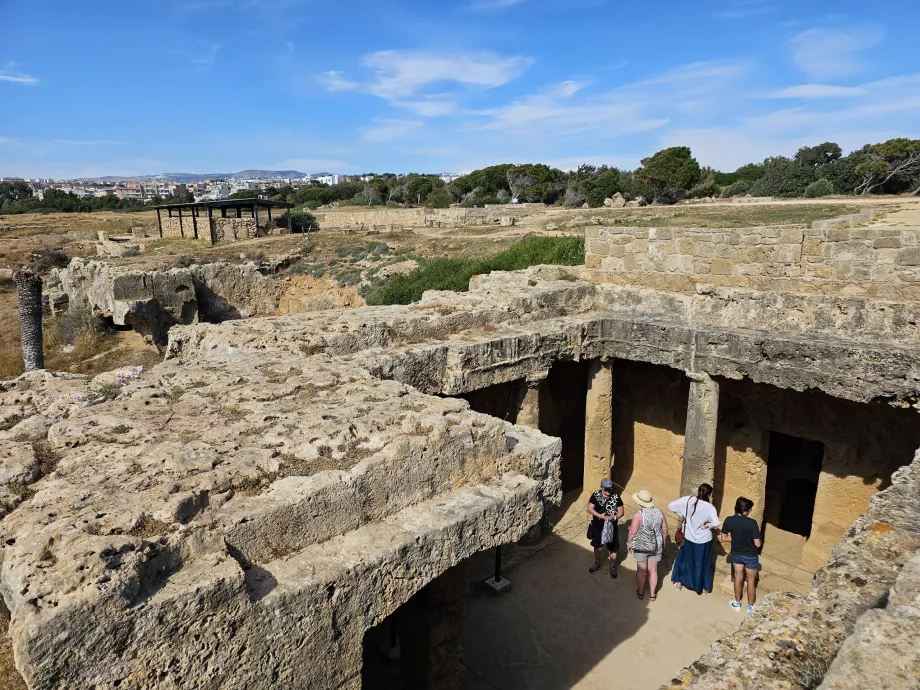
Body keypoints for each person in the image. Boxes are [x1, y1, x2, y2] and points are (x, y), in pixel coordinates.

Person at [668, 483, 720, 595]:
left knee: (684, 560)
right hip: (703, 539)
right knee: (701, 562)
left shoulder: (688, 500)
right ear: (709, 494)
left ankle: (679, 582)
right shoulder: (710, 507)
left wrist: (683, 514)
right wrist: (707, 526)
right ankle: (702, 586)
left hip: (688, 537)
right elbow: (716, 523)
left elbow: (671, 506)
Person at [719, 496, 762, 614]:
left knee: (738, 578)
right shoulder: (752, 523)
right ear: (746, 509)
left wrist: (736, 538)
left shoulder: (729, 520)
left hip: (736, 554)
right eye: (750, 509)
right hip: (751, 556)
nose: (751, 511)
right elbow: (757, 544)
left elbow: (723, 538)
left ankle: (737, 604)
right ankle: (750, 607)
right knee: (751, 581)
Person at [626, 489, 668, 601]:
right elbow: (665, 529)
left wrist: (629, 543)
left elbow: (633, 532)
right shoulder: (659, 512)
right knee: (653, 570)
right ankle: (653, 595)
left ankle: (640, 592)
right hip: (656, 545)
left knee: (641, 569)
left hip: (641, 545)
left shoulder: (639, 515)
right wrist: (663, 541)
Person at [587, 477, 624, 578]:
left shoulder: (616, 496)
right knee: (597, 545)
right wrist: (599, 516)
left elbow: (621, 511)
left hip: (611, 525)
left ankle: (612, 567)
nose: (608, 491)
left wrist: (614, 517)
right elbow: (590, 508)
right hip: (598, 525)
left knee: (613, 547)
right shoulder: (596, 495)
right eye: (606, 489)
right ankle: (597, 563)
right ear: (602, 487)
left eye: (610, 489)